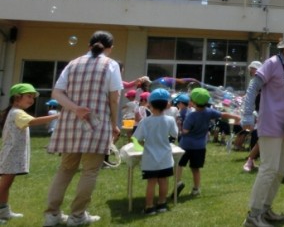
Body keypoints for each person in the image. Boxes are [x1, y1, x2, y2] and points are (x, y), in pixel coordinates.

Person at [43, 31, 122, 227]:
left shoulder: (73, 63)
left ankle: (51, 215)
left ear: (89, 46)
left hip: (70, 122)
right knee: (90, 171)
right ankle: (77, 216)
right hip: (97, 124)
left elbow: (57, 92)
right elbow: (114, 98)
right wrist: (114, 124)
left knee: (65, 169)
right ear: (110, 48)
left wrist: (75, 108)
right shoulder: (110, 65)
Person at [241, 25, 284, 227]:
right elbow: (253, 87)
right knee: (269, 169)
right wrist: (246, 114)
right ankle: (253, 216)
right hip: (271, 123)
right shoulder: (272, 63)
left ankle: (265, 209)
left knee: (280, 169)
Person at [0, 83, 60, 222]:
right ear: (16, 97)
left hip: (13, 154)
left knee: (7, 184)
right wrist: (57, 117)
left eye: (33, 97)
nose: (32, 100)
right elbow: (33, 122)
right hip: (11, 155)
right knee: (4, 184)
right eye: (28, 96)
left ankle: (3, 211)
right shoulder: (17, 113)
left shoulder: (16, 112)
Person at [175, 87, 239, 198]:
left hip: (186, 145)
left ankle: (178, 182)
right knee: (195, 168)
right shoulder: (209, 112)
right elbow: (223, 115)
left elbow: (185, 131)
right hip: (200, 146)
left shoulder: (191, 115)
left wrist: (179, 126)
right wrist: (236, 117)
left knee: (179, 165)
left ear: (193, 102)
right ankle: (196, 188)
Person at [132, 89, 178, 215]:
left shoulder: (145, 121)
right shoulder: (170, 120)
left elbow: (137, 138)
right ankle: (162, 204)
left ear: (150, 104)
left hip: (150, 158)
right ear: (166, 105)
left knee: (151, 183)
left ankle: (149, 207)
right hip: (165, 157)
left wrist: (142, 146)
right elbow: (175, 134)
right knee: (163, 180)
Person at [242, 60, 263, 172]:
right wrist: (248, 116)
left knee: (260, 137)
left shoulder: (262, 81)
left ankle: (252, 159)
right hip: (258, 113)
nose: (251, 73)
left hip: (262, 112)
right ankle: (251, 159)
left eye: (252, 70)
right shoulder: (255, 83)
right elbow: (250, 98)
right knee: (258, 137)